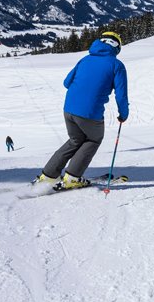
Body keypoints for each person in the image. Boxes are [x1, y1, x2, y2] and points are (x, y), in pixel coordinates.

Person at [34, 31, 129, 189]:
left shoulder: (84, 60)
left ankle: (48, 176)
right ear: (117, 47)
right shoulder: (116, 65)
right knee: (93, 139)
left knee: (75, 141)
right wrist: (123, 114)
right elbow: (121, 95)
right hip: (90, 113)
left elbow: (66, 82)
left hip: (69, 109)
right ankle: (72, 177)